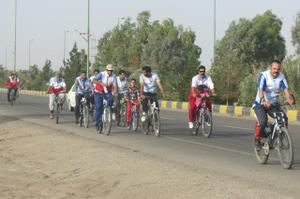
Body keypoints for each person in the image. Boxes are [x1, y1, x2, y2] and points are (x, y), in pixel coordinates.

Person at [253, 59, 294, 148]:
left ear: (280, 69)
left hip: (273, 104)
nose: (276, 71)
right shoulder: (264, 75)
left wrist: (289, 100)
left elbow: (286, 90)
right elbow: (261, 90)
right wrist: (263, 100)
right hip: (260, 104)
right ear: (270, 68)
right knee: (263, 122)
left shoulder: (281, 77)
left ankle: (282, 139)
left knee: (284, 119)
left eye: (278, 69)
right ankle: (258, 139)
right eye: (274, 69)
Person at [93, 64, 117, 130]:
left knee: (111, 100)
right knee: (98, 107)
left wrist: (115, 91)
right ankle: (98, 122)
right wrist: (99, 82)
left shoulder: (114, 76)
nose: (110, 72)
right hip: (98, 92)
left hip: (107, 92)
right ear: (106, 70)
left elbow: (115, 85)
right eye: (109, 70)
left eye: (111, 70)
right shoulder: (101, 74)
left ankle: (108, 110)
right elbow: (93, 80)